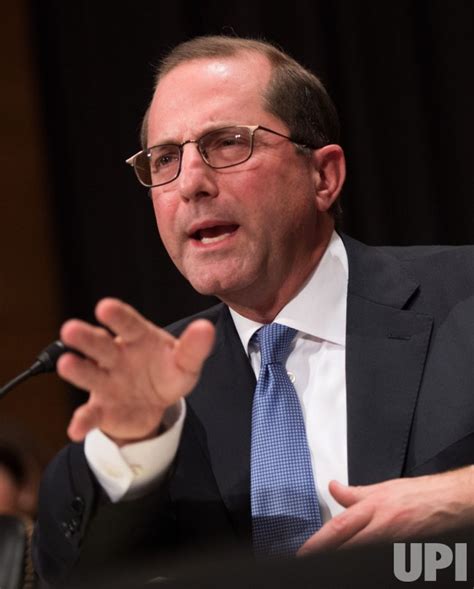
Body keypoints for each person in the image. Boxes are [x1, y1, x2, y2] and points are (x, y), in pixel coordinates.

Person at [33, 35, 474, 585]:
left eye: (226, 143)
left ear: (324, 176)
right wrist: (130, 445)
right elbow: (67, 571)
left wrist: (460, 496)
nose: (191, 182)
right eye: (165, 158)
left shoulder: (463, 296)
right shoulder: (161, 385)